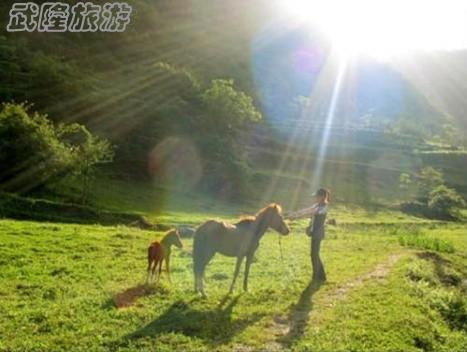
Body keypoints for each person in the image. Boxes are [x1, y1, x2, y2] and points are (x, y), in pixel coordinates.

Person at [288, 188, 330, 282]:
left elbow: (311, 212)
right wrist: (295, 214)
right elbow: (307, 210)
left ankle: (318, 276)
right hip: (315, 232)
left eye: (317, 196)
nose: (315, 198)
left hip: (318, 233)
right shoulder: (317, 205)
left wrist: (295, 216)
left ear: (322, 197)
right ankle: (320, 276)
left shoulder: (324, 207)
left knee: (314, 254)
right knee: (314, 254)